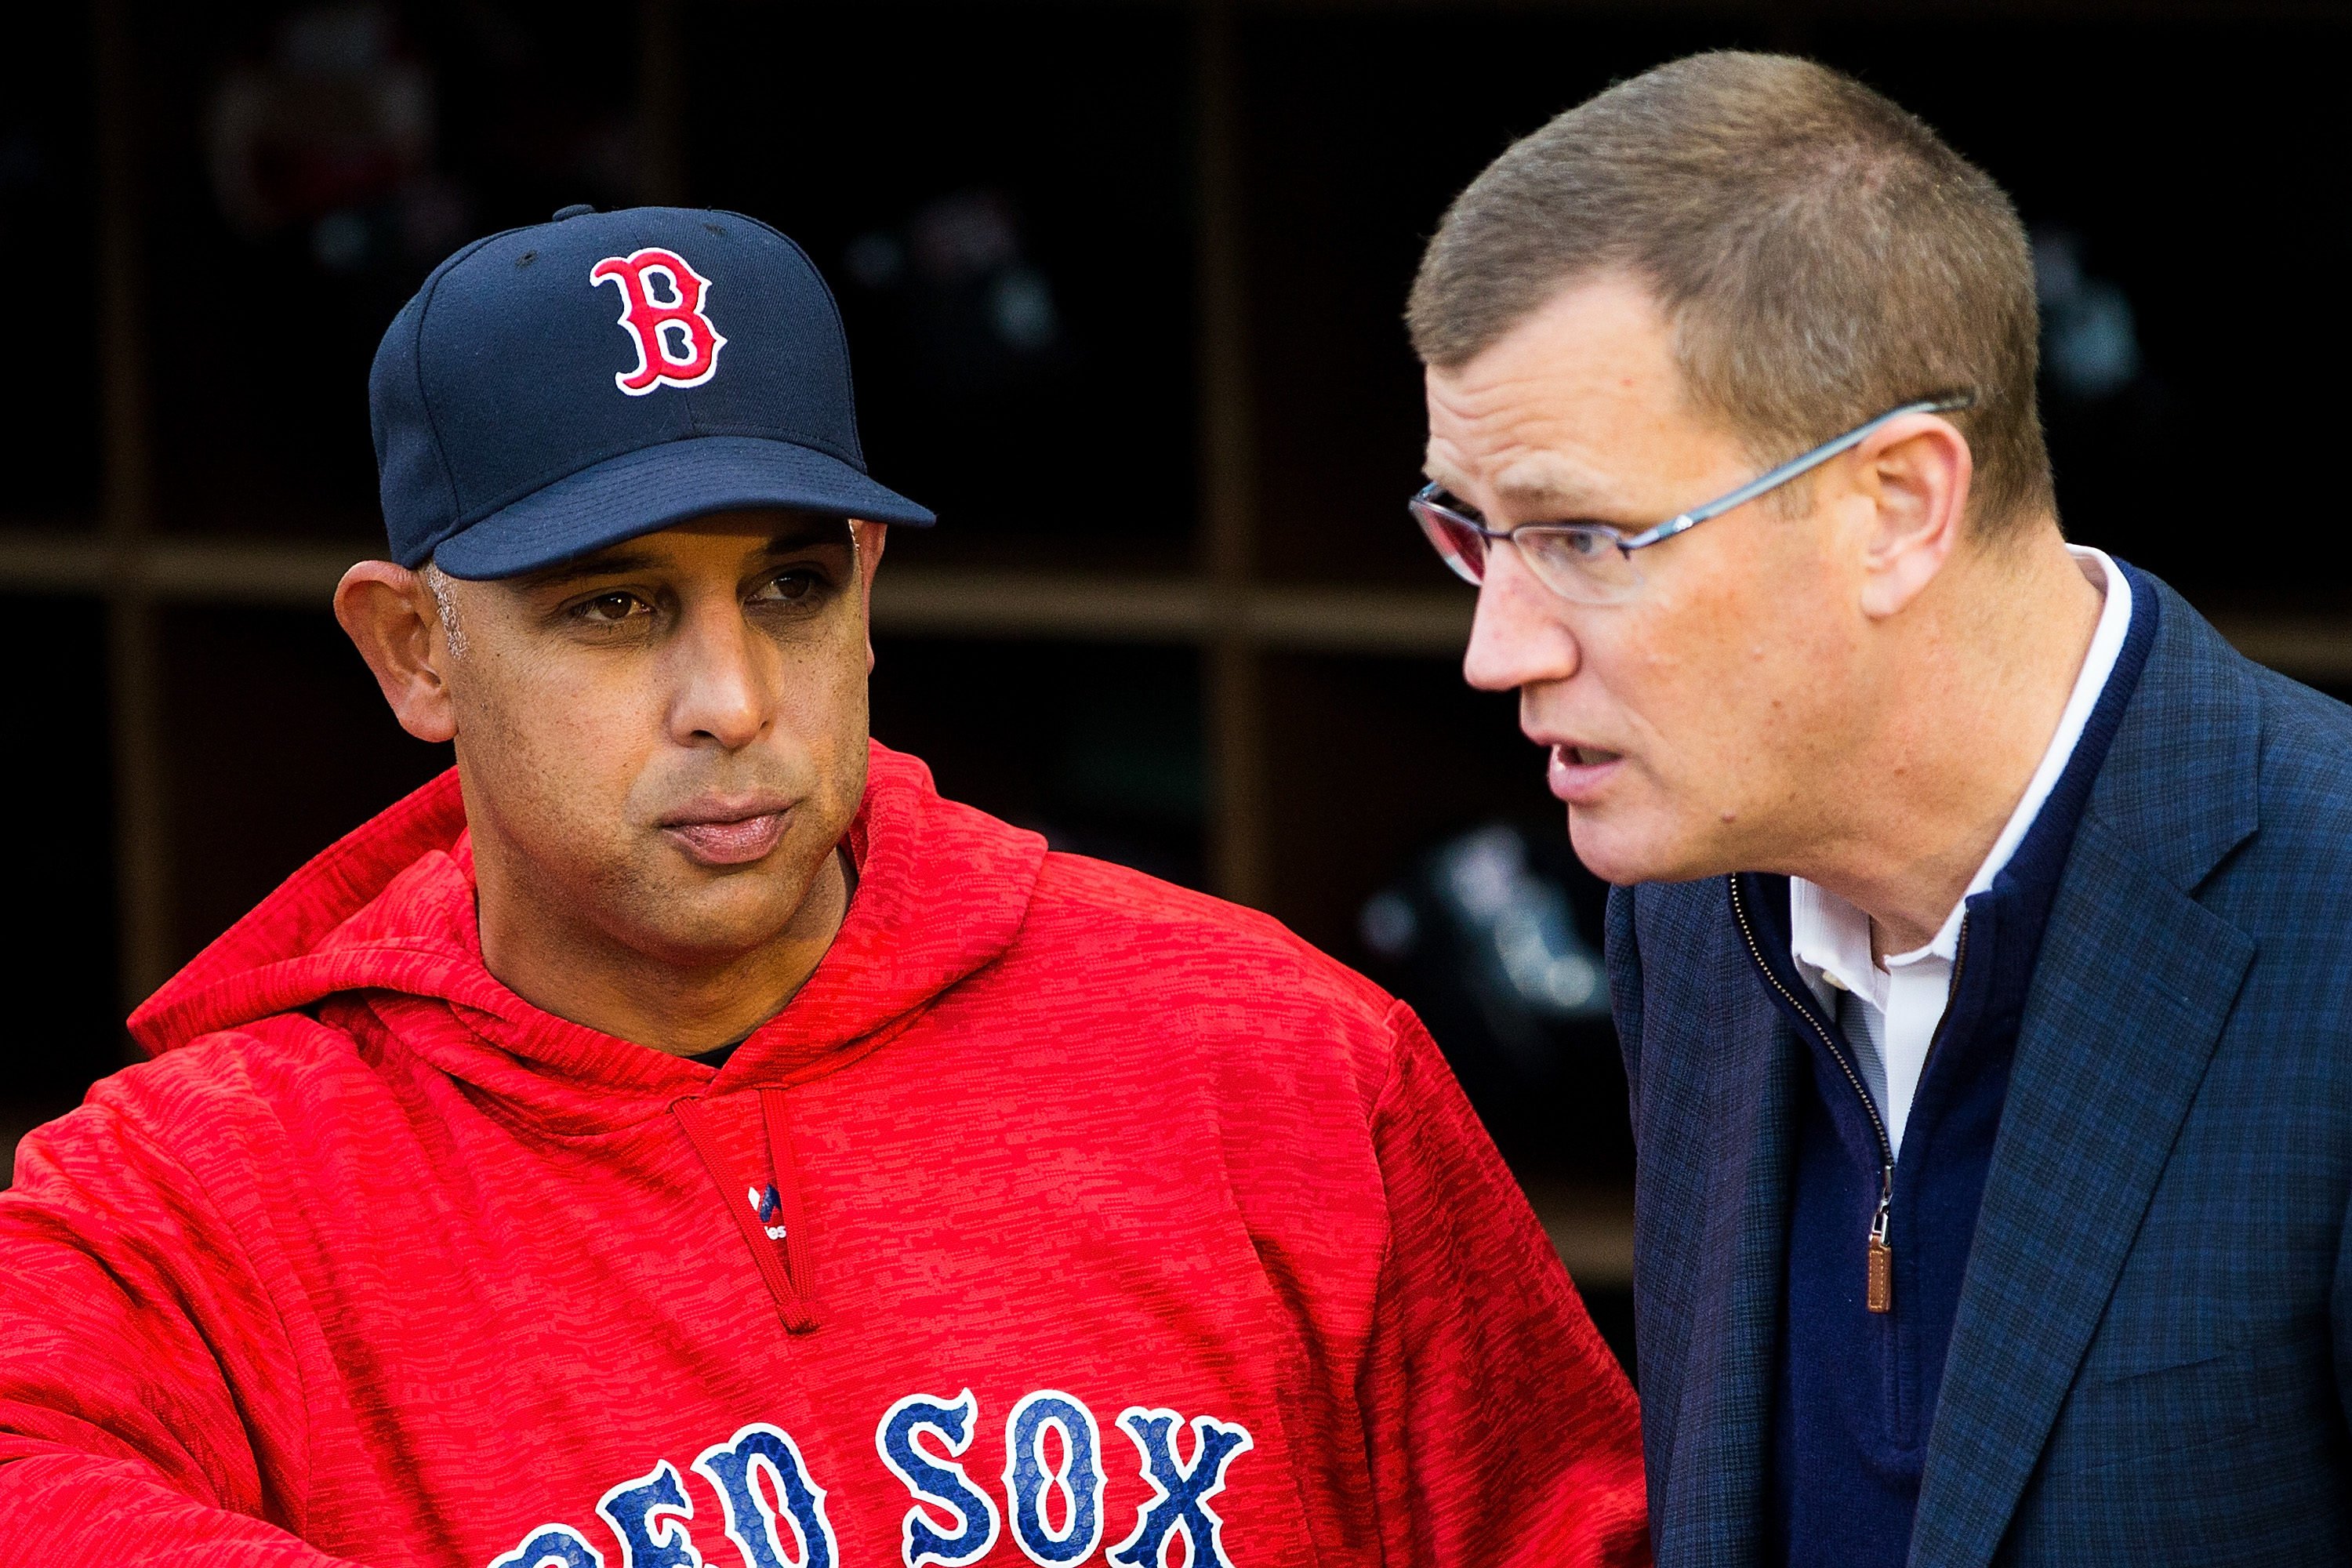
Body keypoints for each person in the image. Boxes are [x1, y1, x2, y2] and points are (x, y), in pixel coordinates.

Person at [0, 205, 1646, 1566]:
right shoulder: (190, 1200)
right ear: (414, 648)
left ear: (865, 593)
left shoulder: (1274, 1056)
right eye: (614, 609)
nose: (732, 698)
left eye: (787, 584)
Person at [1403, 50, 2352, 1568]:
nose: (1497, 645)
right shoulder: (1692, 902)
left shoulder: (2326, 922)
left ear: (1899, 506)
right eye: (1474, 532)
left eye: (1583, 534)